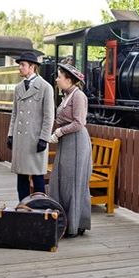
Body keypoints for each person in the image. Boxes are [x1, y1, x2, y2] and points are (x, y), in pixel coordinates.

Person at [48, 63, 92, 238]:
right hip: (67, 142)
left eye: (59, 76)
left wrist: (59, 132)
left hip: (76, 142)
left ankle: (76, 224)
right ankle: (64, 221)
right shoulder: (67, 95)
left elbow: (79, 122)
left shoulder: (78, 96)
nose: (57, 79)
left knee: (73, 182)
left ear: (68, 79)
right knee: (61, 181)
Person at [7, 52, 54, 201]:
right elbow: (14, 114)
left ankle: (39, 207)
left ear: (32, 67)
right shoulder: (18, 88)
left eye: (22, 65)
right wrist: (10, 134)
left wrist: (44, 139)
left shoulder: (46, 87)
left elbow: (49, 116)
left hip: (35, 139)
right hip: (20, 139)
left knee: (37, 175)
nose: (19, 68)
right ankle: (23, 206)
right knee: (21, 175)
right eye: (20, 65)